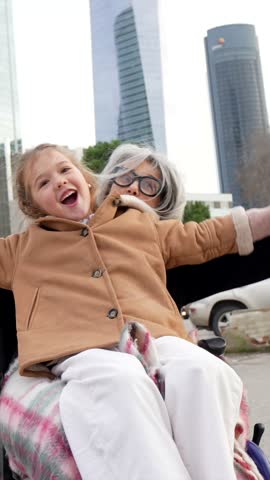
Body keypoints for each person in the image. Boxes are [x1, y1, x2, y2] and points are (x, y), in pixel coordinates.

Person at [0, 142, 269, 480]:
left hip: (156, 334)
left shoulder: (137, 223)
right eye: (43, 182)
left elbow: (206, 235)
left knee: (203, 370)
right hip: (83, 345)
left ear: (85, 179)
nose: (58, 181)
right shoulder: (19, 250)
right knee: (121, 380)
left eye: (65, 170)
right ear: (32, 204)